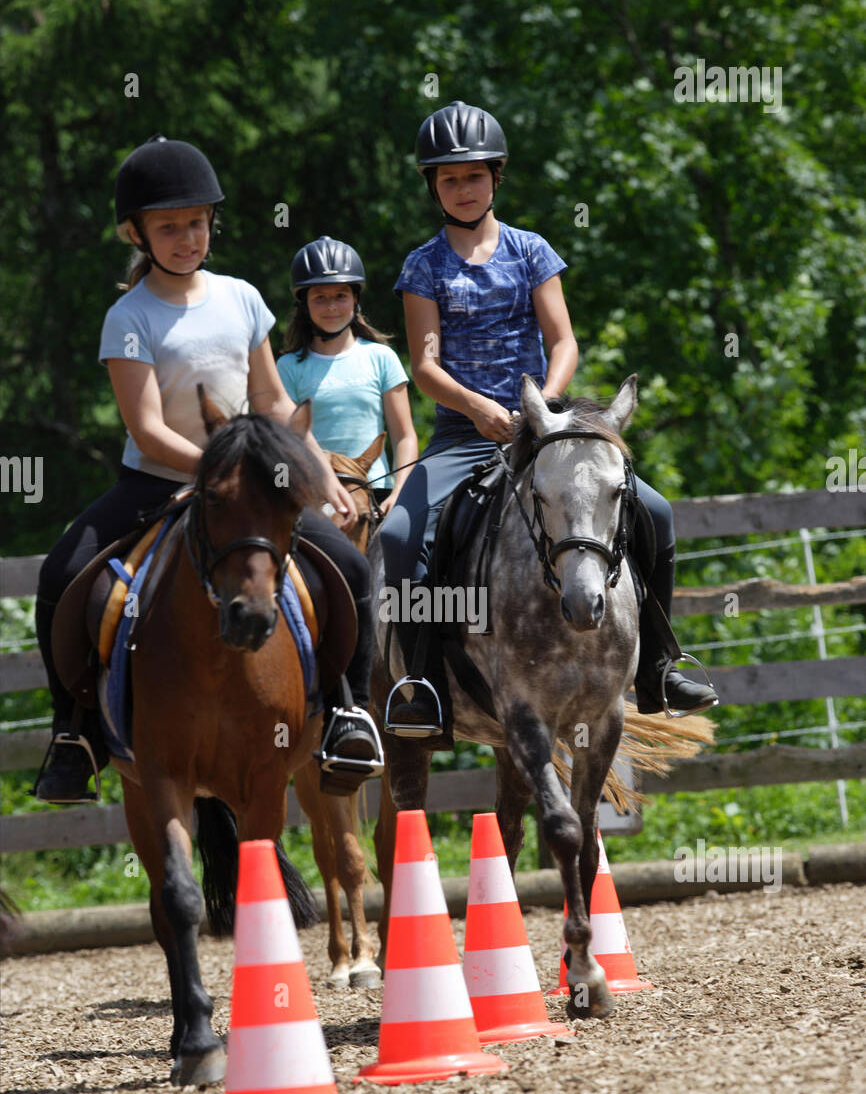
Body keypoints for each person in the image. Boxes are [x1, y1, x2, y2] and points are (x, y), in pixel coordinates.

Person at [34, 135, 380, 803]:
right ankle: (72, 734)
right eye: (168, 227)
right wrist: (221, 475)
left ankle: (347, 713)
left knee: (354, 569)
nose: (186, 238)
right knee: (61, 573)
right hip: (158, 481)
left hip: (252, 487)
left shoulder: (242, 297)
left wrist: (321, 475)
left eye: (196, 223)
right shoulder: (128, 317)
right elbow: (147, 428)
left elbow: (275, 401)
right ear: (137, 232)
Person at [378, 99, 718, 735]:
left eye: (473, 175)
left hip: (548, 427)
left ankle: (659, 666)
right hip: (462, 431)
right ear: (433, 186)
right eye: (448, 178)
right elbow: (424, 366)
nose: (462, 187)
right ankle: (419, 680)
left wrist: (545, 405)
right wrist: (478, 408)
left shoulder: (532, 249)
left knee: (658, 511)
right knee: (400, 537)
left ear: (496, 177)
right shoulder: (422, 265)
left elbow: (562, 341)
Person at [277, 236, 417, 515]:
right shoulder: (287, 367)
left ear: (355, 299)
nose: (331, 306)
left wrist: (399, 493)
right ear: (304, 304)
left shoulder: (382, 358)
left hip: (375, 492)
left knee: (406, 543)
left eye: (340, 296)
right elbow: (286, 444)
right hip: (314, 493)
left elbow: (405, 437)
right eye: (320, 297)